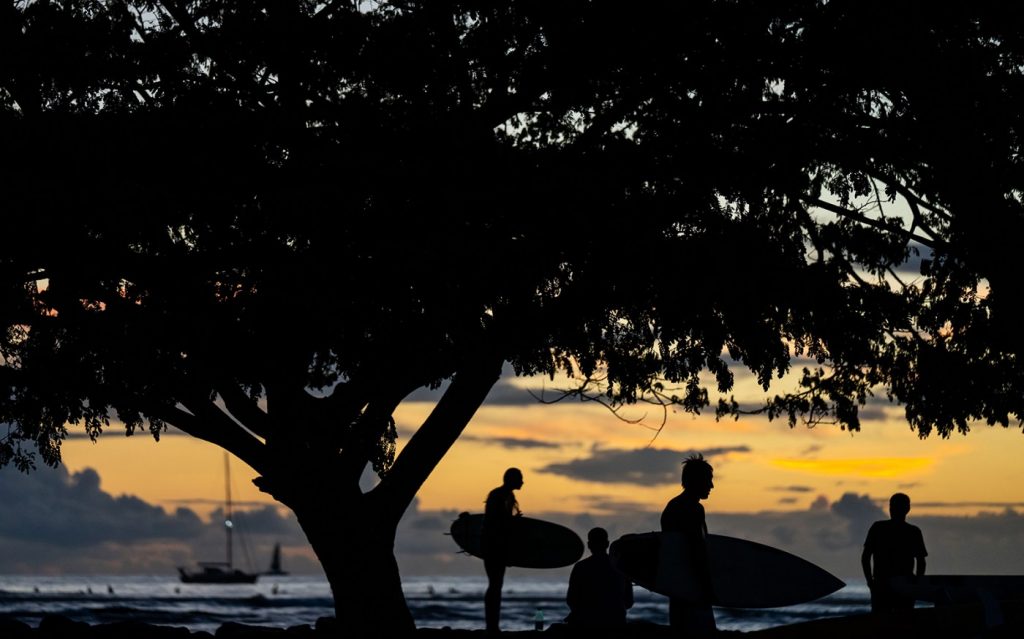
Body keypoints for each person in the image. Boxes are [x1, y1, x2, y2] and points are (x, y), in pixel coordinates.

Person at [661, 453, 716, 637]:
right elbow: (697, 549)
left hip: (676, 586)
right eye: (708, 480)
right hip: (691, 587)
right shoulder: (692, 509)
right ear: (696, 481)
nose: (711, 486)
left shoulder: (673, 506)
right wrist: (707, 586)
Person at [862, 492, 928, 614]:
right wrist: (870, 581)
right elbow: (921, 562)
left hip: (895, 584)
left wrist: (870, 581)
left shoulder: (911, 531)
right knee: (896, 624)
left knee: (889, 623)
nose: (893, 509)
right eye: (892, 506)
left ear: (907, 509)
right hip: (887, 584)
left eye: (895, 506)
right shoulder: (880, 528)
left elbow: (921, 561)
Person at [565, 527, 634, 630]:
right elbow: (628, 602)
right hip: (616, 623)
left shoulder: (581, 567)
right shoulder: (620, 566)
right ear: (607, 544)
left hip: (587, 624)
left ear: (589, 545)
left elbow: (572, 599)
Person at [482, 467, 523, 633]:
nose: (522, 482)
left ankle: (493, 625)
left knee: (496, 585)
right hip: (492, 546)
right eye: (520, 478)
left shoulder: (508, 496)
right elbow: (496, 522)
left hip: (498, 546)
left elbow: (503, 522)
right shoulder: (498, 495)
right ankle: (491, 626)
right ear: (512, 479)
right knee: (494, 584)